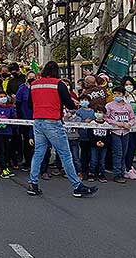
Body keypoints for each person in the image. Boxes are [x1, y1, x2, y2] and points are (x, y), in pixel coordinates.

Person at [26, 61, 97, 198]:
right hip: (52, 121)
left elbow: (30, 104)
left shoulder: (34, 84)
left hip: (38, 121)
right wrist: (74, 105)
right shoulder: (58, 84)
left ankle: (32, 183)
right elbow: (68, 103)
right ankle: (77, 186)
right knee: (65, 154)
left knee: (39, 153)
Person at [105, 86, 136, 183]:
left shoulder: (128, 106)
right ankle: (117, 173)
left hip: (126, 132)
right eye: (115, 94)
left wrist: (129, 124)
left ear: (123, 95)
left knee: (124, 152)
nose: (117, 95)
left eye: (119, 94)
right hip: (115, 132)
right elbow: (106, 118)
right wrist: (117, 123)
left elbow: (132, 118)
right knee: (117, 152)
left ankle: (122, 171)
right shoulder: (109, 106)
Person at [14, 71, 36, 171]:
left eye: (33, 77)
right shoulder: (22, 88)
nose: (31, 78)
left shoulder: (37, 87)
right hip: (25, 117)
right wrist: (20, 117)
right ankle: (27, 162)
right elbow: (18, 102)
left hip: (37, 117)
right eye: (30, 77)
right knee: (27, 141)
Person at [74, 95, 96, 179]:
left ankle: (91, 171)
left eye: (86, 100)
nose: (84, 101)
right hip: (82, 136)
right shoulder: (78, 112)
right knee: (83, 154)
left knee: (91, 154)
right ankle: (84, 171)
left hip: (91, 136)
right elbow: (76, 122)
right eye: (82, 100)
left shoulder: (93, 112)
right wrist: (83, 121)